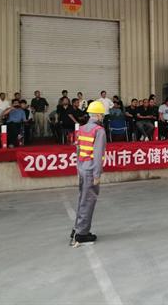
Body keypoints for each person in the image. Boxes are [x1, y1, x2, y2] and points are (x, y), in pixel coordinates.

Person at [70, 101, 107, 246]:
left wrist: (79, 168)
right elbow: (98, 154)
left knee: (82, 200)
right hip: (91, 169)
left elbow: (78, 150)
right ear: (98, 115)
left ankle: (78, 228)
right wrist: (97, 174)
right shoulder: (99, 130)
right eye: (102, 114)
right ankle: (82, 234)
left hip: (82, 168)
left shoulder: (82, 128)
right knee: (88, 201)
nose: (103, 117)